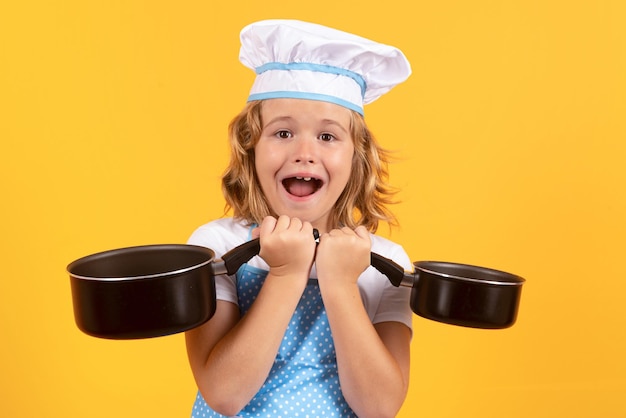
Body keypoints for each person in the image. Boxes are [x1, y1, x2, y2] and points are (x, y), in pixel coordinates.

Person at [185, 19, 413, 418]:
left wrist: (341, 283)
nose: (305, 152)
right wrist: (286, 274)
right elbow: (224, 393)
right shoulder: (218, 247)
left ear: (357, 160)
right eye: (283, 133)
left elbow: (380, 408)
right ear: (250, 149)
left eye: (327, 137)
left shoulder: (385, 265)